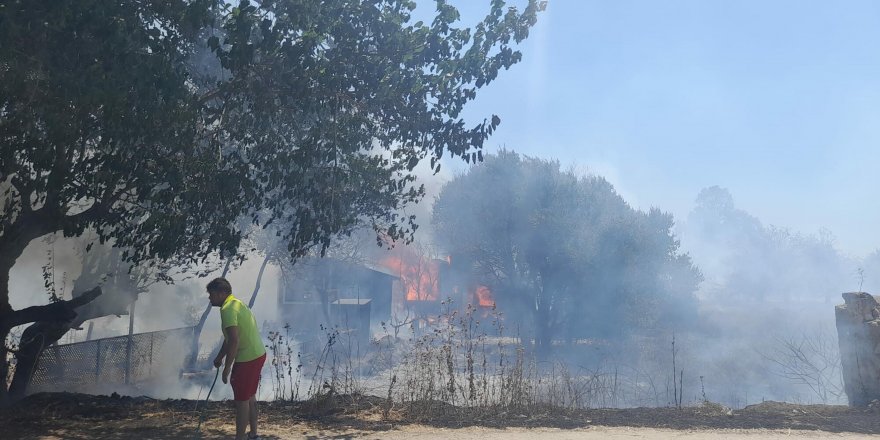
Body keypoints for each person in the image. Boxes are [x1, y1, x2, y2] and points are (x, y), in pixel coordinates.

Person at [207, 277, 266, 440]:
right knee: (250, 396)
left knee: (241, 401)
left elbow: (234, 340)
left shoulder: (228, 309)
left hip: (247, 358)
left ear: (221, 293)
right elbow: (230, 339)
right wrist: (219, 357)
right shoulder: (236, 304)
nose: (209, 298)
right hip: (258, 354)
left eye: (211, 294)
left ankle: (240, 438)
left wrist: (227, 369)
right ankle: (253, 435)